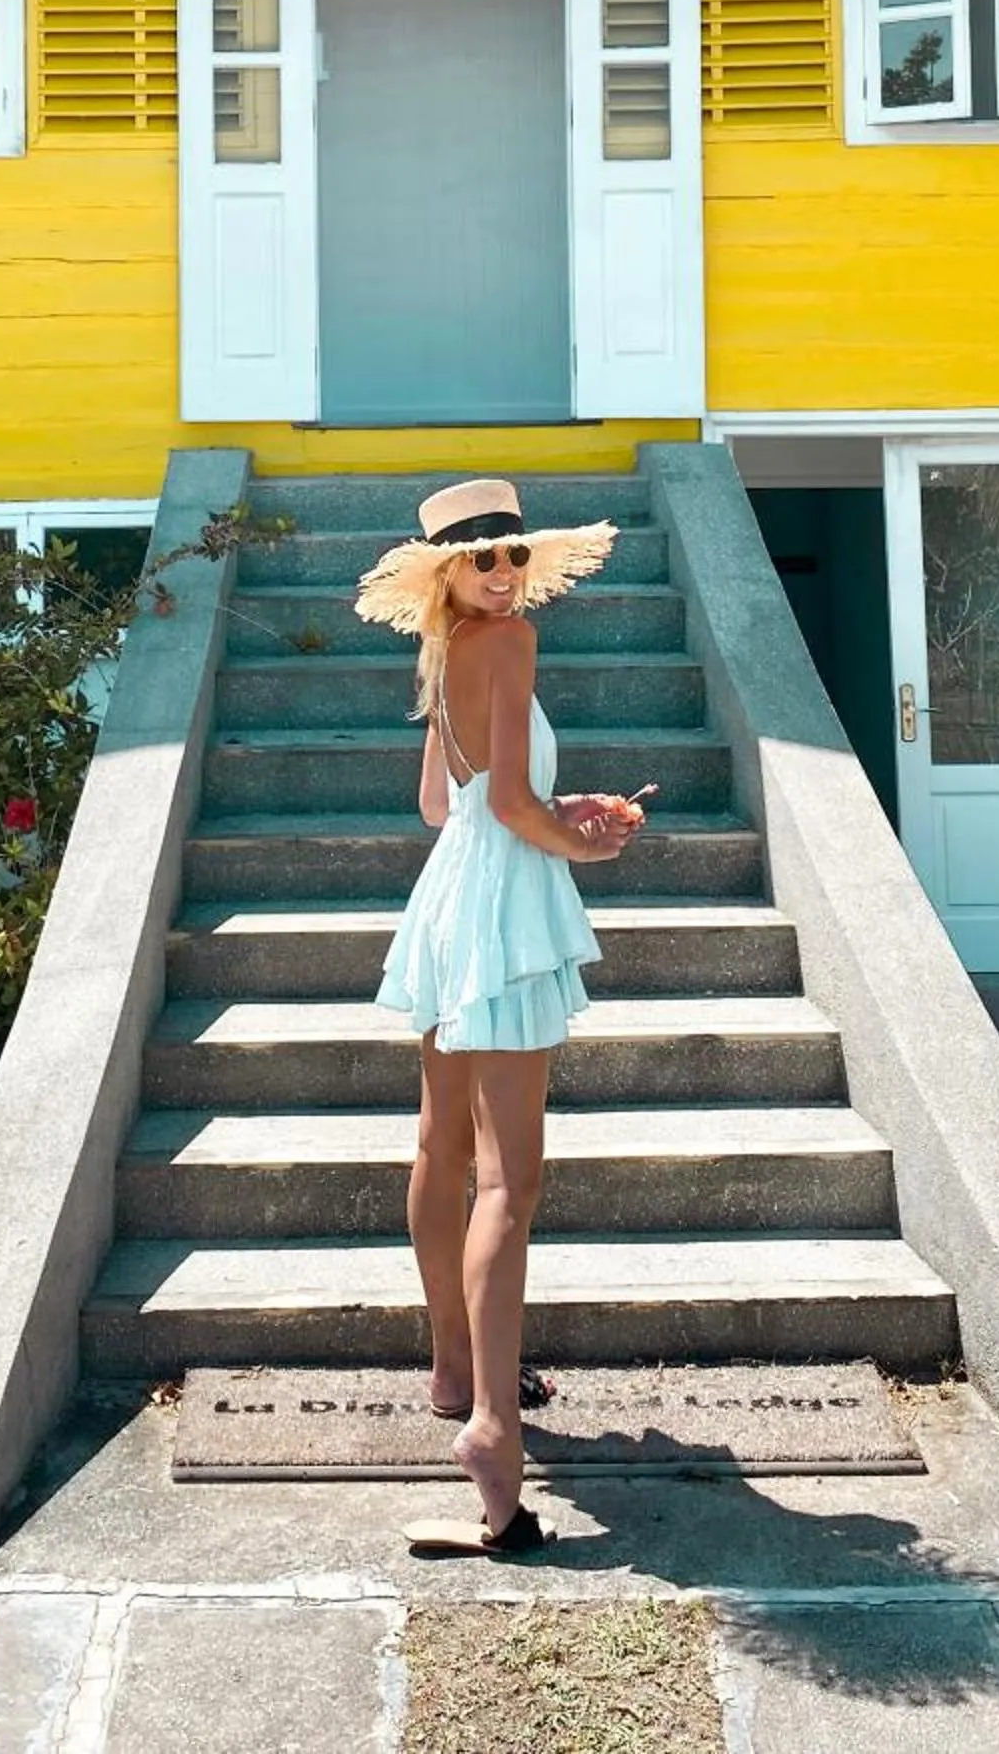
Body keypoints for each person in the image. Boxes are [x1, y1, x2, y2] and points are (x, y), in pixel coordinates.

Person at [356, 477, 642, 1557]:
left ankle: (450, 1368)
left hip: (451, 895)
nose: (505, 576)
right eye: (483, 562)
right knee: (508, 1181)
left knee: (441, 1142)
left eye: (516, 557)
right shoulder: (508, 649)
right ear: (449, 573)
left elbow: (445, 805)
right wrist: (587, 840)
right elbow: (511, 808)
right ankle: (490, 1427)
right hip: (501, 906)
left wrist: (547, 814)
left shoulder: (444, 656)